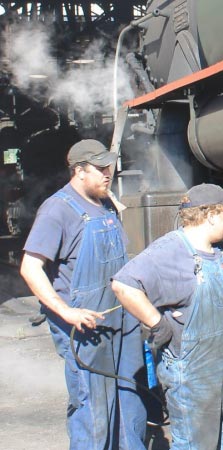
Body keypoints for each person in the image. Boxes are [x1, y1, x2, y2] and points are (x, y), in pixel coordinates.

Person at [111, 183, 223, 450]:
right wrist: (158, 325)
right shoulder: (169, 251)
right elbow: (123, 285)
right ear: (212, 215)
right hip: (195, 379)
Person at [20, 139, 146, 449]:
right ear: (78, 171)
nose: (108, 174)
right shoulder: (57, 209)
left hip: (120, 321)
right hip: (84, 328)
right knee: (93, 411)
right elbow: (30, 268)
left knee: (130, 402)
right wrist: (66, 312)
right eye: (100, 169)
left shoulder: (105, 205)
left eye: (109, 167)